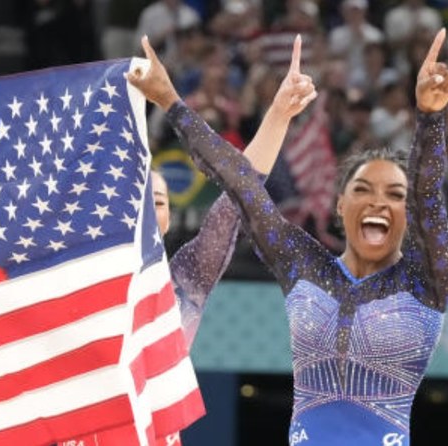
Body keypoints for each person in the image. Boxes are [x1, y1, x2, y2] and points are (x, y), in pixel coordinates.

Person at [128, 28, 448, 446]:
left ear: (408, 214)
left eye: (395, 195)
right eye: (363, 190)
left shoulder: (426, 281)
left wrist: (430, 118)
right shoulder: (305, 267)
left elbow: (427, 191)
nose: (378, 203)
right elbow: (242, 186)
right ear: (340, 205)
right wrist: (171, 102)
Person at [59, 35, 317, 446]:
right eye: (139, 198)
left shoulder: (185, 279)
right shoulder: (77, 276)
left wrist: (278, 115)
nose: (147, 207)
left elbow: (236, 199)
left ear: (165, 219)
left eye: (157, 200)